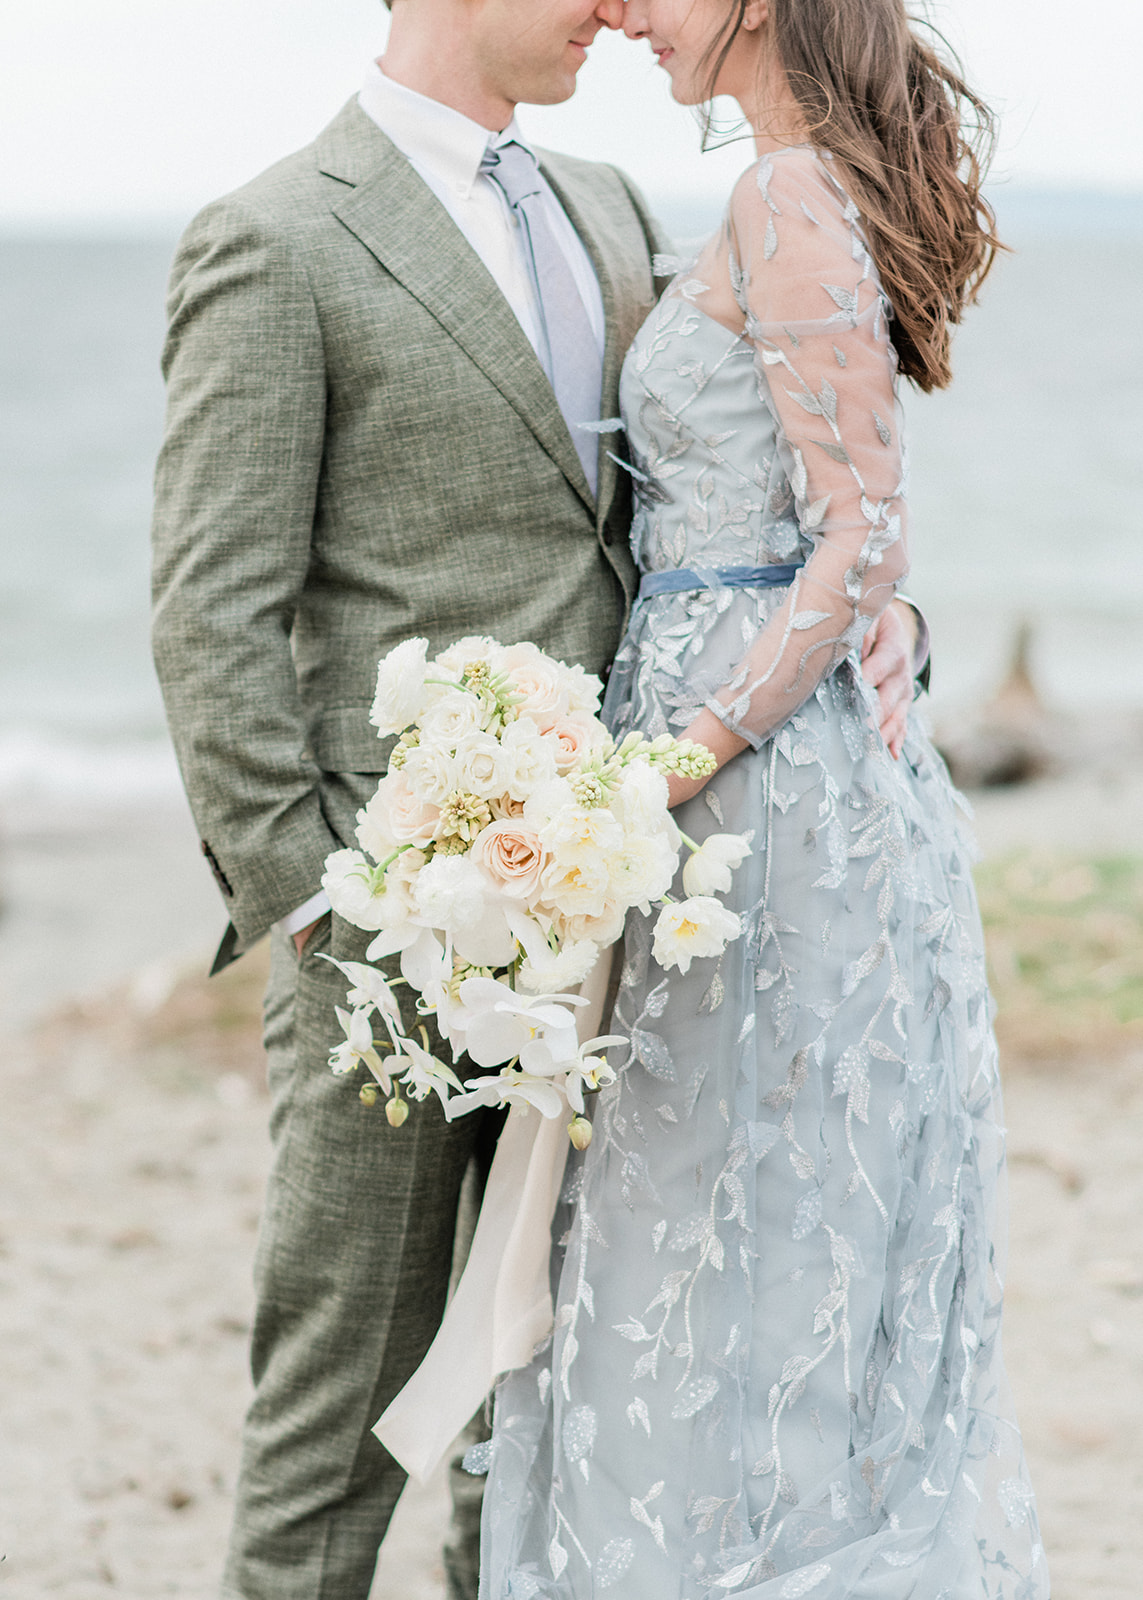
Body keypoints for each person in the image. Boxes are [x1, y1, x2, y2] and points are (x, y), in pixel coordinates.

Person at [149, 0, 923, 1593]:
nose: (612, 4)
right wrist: (310, 898)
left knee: (535, 1393)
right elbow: (210, 608)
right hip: (394, 922)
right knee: (344, 1397)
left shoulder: (606, 207)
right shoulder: (277, 240)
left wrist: (880, 606)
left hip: (619, 911)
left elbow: (725, 506)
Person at [474, 0, 1048, 1596]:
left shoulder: (785, 195)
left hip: (754, 790)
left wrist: (679, 758)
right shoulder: (782, 189)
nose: (632, 15)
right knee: (726, 1216)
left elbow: (860, 535)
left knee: (719, 1218)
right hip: (738, 748)